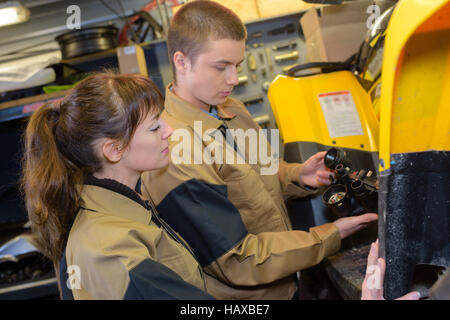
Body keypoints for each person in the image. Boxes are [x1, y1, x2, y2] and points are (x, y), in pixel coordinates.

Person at [140, 0, 378, 299]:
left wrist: (299, 174)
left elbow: (264, 173)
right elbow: (237, 260)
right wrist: (332, 235)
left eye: (237, 65)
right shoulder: (174, 152)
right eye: (221, 66)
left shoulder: (233, 111)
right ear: (182, 61)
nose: (234, 79)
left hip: (289, 280)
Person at [21, 72, 214, 300]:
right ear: (114, 150)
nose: (169, 130)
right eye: (154, 127)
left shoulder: (127, 208)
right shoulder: (110, 249)